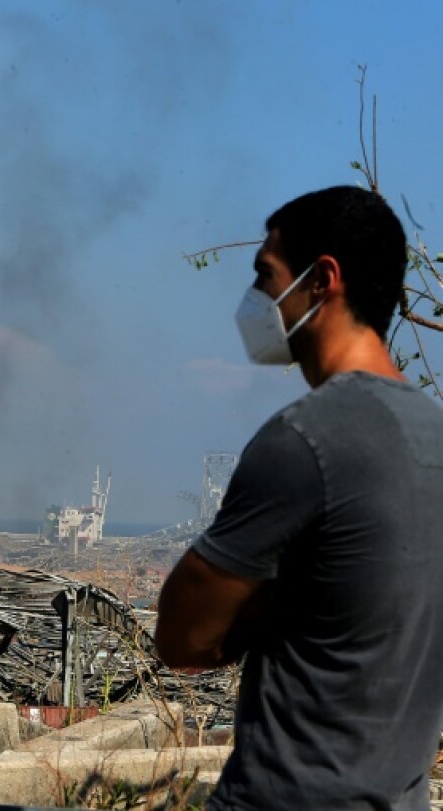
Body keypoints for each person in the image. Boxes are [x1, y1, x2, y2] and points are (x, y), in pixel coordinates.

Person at [155, 185, 443, 810]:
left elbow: (181, 636)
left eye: (266, 274)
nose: (256, 300)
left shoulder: (305, 440)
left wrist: (262, 607)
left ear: (322, 280)